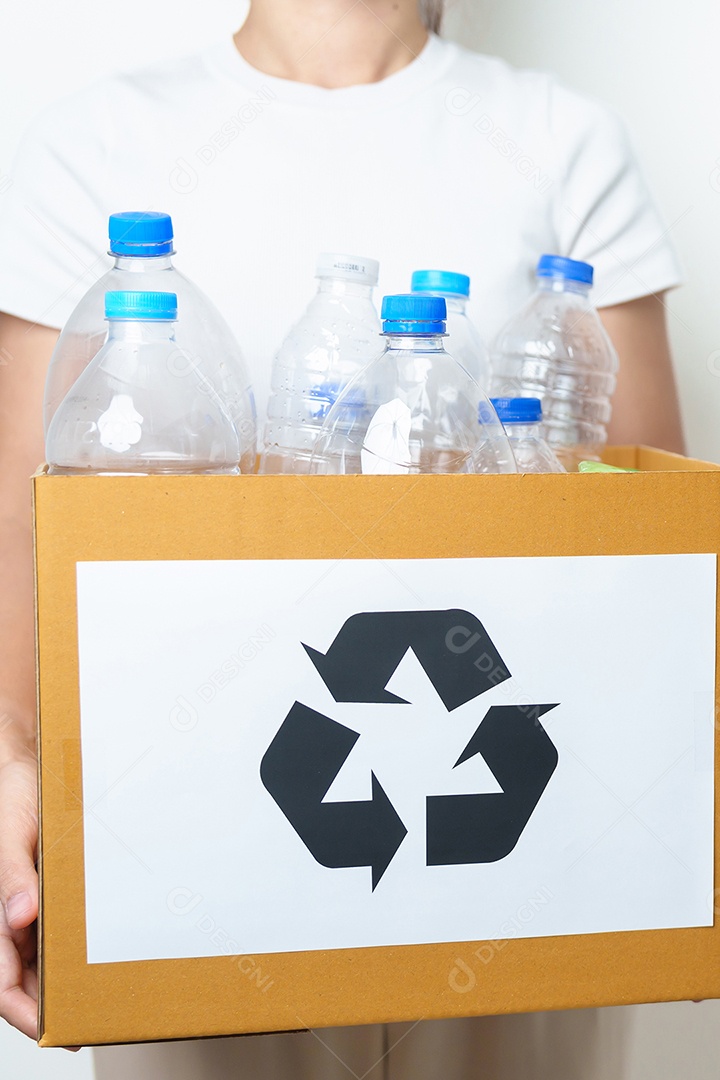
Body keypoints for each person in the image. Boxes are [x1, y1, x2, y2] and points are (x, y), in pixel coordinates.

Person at [0, 0, 685, 1076]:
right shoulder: (98, 142)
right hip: (195, 858)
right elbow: (30, 526)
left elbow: (640, 545)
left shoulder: (563, 139)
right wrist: (12, 762)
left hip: (514, 879)